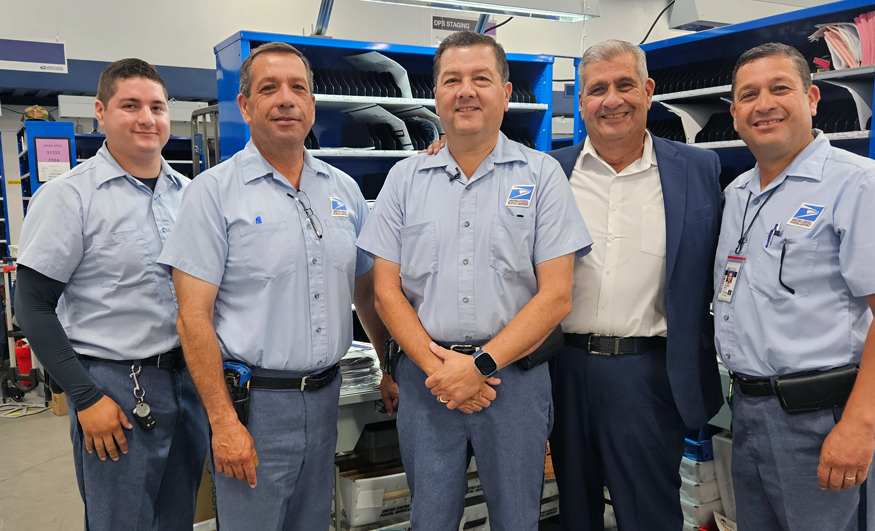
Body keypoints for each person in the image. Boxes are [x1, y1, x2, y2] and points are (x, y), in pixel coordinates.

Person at [356, 31, 592, 531]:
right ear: (436, 95)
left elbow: (557, 295)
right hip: (428, 380)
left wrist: (479, 365)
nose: (466, 91)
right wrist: (441, 370)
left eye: (481, 79)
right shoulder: (404, 180)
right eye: (452, 80)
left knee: (517, 518)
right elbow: (385, 290)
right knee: (431, 519)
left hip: (514, 379)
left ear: (506, 93)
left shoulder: (543, 175)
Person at [157, 42, 389, 531]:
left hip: (328, 396)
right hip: (254, 406)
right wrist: (222, 422)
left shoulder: (343, 190)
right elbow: (192, 317)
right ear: (245, 106)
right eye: (269, 88)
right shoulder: (213, 194)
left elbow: (367, 292)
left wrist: (389, 368)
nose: (286, 99)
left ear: (311, 103)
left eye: (297, 88)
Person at [716, 42, 875, 530]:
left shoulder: (858, 185)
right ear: (734, 115)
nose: (764, 104)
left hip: (826, 416)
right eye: (749, 95)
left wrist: (858, 426)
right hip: (751, 412)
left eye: (780, 89)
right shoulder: (738, 195)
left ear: (811, 98)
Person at [540, 40, 725, 531]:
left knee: (650, 513)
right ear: (582, 102)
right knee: (573, 512)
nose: (611, 99)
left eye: (624, 85)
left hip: (650, 375)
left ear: (647, 90)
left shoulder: (698, 170)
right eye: (596, 89)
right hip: (562, 368)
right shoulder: (548, 173)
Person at [15, 58, 207, 530]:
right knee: (120, 521)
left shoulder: (192, 195)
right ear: (101, 112)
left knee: (177, 516)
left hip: (190, 380)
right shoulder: (70, 197)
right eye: (130, 105)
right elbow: (33, 304)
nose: (147, 118)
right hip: (116, 389)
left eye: (157, 107)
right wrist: (85, 397)